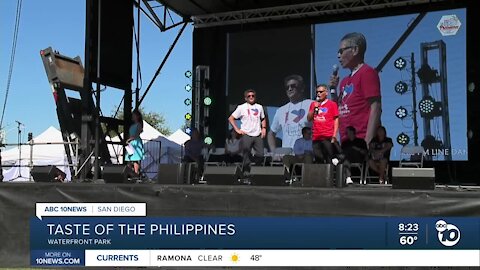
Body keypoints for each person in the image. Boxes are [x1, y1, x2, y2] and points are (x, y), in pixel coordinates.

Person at [329, 32, 381, 145]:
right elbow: (338, 110)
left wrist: (368, 142)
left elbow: (375, 108)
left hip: (361, 140)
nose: (339, 55)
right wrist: (333, 90)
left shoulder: (367, 72)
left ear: (355, 50)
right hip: (346, 142)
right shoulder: (344, 81)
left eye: (341, 51)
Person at [268, 75, 313, 151]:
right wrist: (274, 152)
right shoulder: (281, 110)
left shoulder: (312, 104)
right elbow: (271, 133)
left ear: (301, 88)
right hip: (287, 155)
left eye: (293, 86)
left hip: (307, 154)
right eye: (287, 87)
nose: (290, 89)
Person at [228, 89, 267, 171]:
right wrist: (237, 129)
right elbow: (231, 118)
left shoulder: (259, 107)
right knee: (246, 154)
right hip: (246, 134)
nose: (251, 97)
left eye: (253, 96)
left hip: (257, 134)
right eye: (249, 96)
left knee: (261, 154)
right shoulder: (241, 107)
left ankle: (256, 171)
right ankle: (246, 172)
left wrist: (264, 128)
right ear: (246, 98)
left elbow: (263, 118)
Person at [307, 84, 339, 164]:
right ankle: (321, 176)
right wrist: (314, 108)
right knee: (318, 159)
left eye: (321, 92)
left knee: (329, 159)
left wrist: (334, 135)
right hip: (316, 137)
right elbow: (309, 119)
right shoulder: (313, 104)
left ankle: (331, 176)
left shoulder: (332, 104)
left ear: (326, 93)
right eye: (317, 92)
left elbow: (336, 120)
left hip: (327, 136)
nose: (318, 94)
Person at [125, 109, 145, 175]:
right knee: (129, 159)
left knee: (135, 159)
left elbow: (136, 134)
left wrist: (130, 139)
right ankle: (129, 173)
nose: (132, 117)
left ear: (137, 116)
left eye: (134, 115)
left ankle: (136, 173)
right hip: (131, 142)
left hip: (136, 142)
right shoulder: (132, 126)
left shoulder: (139, 125)